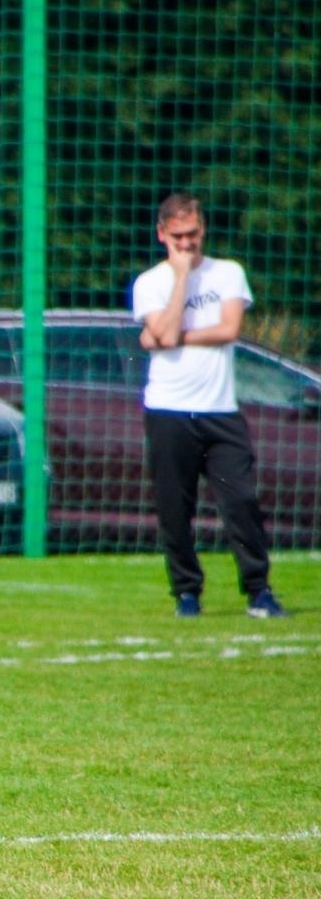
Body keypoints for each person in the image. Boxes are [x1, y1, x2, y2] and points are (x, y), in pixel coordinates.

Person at [133, 193, 287, 619]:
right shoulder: (151, 282)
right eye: (178, 236)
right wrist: (181, 280)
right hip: (168, 411)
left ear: (203, 230)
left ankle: (258, 591)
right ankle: (187, 593)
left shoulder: (228, 273)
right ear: (162, 234)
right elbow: (162, 333)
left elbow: (228, 328)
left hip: (220, 411)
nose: (187, 243)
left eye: (193, 234)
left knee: (241, 500)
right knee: (174, 508)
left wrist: (167, 338)